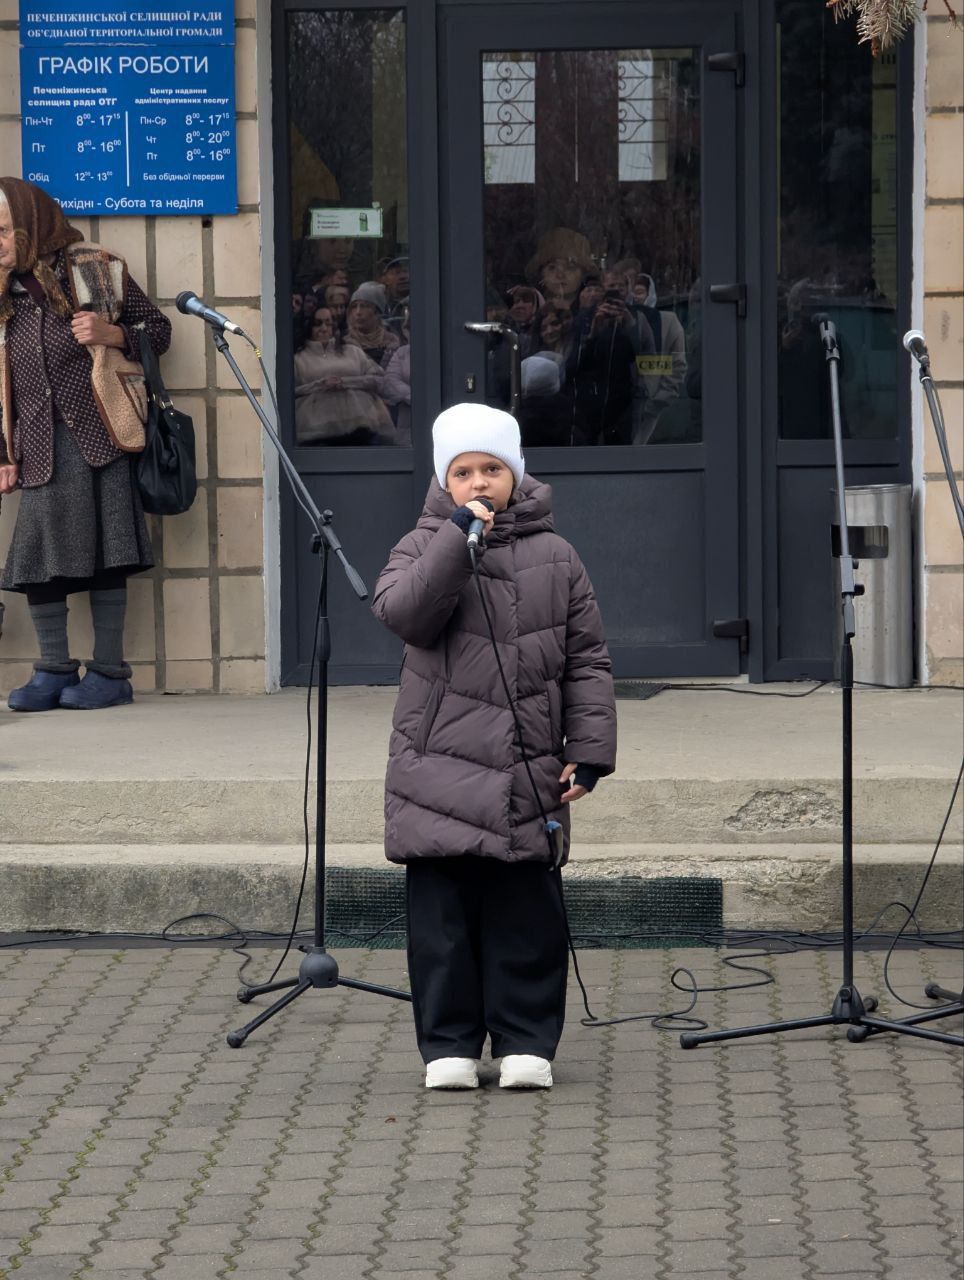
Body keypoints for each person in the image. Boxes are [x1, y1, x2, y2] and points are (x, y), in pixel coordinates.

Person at [371, 404, 616, 1090]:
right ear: (444, 483)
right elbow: (405, 615)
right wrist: (456, 540)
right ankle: (448, 1045)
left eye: (491, 470)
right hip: (437, 769)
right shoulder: (421, 544)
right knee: (441, 919)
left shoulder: (558, 558)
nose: (479, 483)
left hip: (527, 766)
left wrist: (589, 751)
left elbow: (588, 661)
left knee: (525, 915)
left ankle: (525, 1042)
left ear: (515, 474)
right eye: (463, 472)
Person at [0, 177, 171, 711]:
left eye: (4, 229)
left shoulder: (86, 268)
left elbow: (158, 330)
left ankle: (111, 673)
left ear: (31, 223)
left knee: (108, 554)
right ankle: (53, 668)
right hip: (37, 445)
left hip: (101, 435)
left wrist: (112, 334)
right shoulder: (0, 289)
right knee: (36, 559)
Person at [293, 307, 393, 445]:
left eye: (328, 324)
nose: (323, 328)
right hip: (315, 431)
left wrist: (347, 382)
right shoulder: (299, 358)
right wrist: (320, 385)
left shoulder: (353, 351)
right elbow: (290, 391)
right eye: (317, 323)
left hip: (361, 425)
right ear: (309, 326)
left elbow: (379, 378)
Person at [345, 283, 400, 369]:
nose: (358, 312)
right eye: (354, 307)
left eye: (364, 306)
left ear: (377, 312)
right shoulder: (345, 344)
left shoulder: (392, 343)